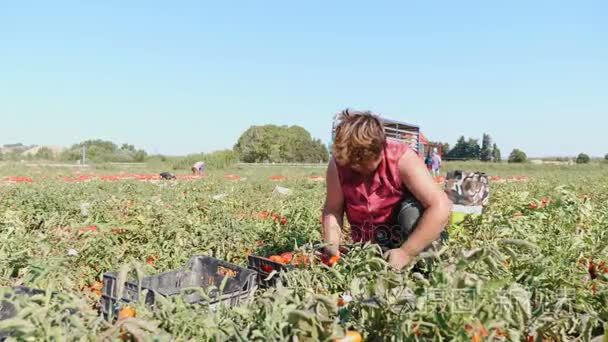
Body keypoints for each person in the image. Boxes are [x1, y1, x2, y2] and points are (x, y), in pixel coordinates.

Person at [322, 109, 451, 271]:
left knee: (412, 213)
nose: (356, 170)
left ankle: (424, 267)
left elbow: (440, 205)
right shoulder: (338, 164)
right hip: (369, 243)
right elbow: (333, 209)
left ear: (379, 150)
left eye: (362, 163)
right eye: (351, 164)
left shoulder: (402, 158)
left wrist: (407, 252)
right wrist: (331, 245)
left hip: (407, 238)